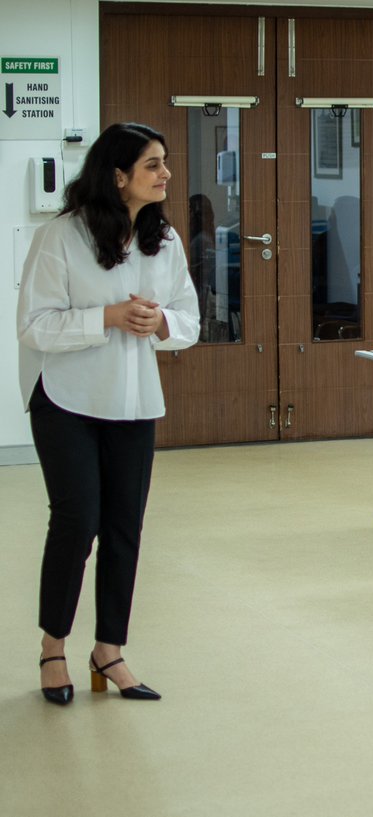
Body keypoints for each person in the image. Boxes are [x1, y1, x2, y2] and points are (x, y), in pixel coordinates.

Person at [17, 123, 200, 704]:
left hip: (133, 401)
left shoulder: (163, 239)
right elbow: (33, 326)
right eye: (153, 165)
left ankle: (108, 652)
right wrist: (108, 317)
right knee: (78, 524)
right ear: (117, 175)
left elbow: (188, 319)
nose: (165, 174)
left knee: (125, 527)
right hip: (65, 398)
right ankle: (53, 647)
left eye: (164, 163)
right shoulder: (60, 237)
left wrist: (161, 324)